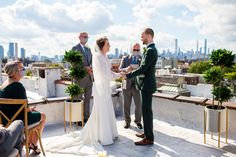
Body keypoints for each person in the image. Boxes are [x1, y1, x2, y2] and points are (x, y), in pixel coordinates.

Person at [47, 37, 119, 155]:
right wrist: (117, 76)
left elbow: (108, 73)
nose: (110, 45)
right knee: (100, 110)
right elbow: (102, 74)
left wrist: (117, 74)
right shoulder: (97, 57)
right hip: (100, 88)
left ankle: (108, 132)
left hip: (104, 87)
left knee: (106, 110)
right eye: (108, 44)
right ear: (102, 46)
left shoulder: (105, 57)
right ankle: (101, 134)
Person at [0, 60, 46, 154]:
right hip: (18, 120)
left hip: (6, 120)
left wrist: (29, 110)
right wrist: (30, 109)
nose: (23, 71)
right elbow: (26, 109)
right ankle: (33, 144)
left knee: (34, 114)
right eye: (22, 69)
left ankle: (29, 142)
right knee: (43, 116)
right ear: (15, 72)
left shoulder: (3, 85)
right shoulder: (18, 86)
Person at [121, 28, 158, 146]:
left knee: (146, 112)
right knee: (146, 111)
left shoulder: (151, 50)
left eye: (142, 36)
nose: (141, 38)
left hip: (147, 85)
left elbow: (143, 68)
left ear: (148, 36)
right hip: (145, 85)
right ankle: (147, 134)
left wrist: (129, 75)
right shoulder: (150, 49)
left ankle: (149, 138)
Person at [119, 43, 142, 129]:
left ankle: (138, 121)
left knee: (138, 105)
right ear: (131, 49)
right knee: (126, 104)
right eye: (134, 49)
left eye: (137, 50)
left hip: (137, 85)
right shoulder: (125, 58)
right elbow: (120, 69)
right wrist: (127, 69)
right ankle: (127, 122)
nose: (136, 51)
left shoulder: (141, 59)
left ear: (139, 50)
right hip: (126, 84)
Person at [72, 32, 93, 124]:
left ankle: (86, 118)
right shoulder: (75, 49)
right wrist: (85, 68)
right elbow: (73, 64)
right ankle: (77, 119)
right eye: (85, 37)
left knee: (88, 99)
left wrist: (91, 68)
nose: (86, 38)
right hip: (80, 78)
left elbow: (91, 61)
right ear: (80, 38)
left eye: (87, 37)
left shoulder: (88, 49)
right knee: (78, 99)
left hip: (89, 78)